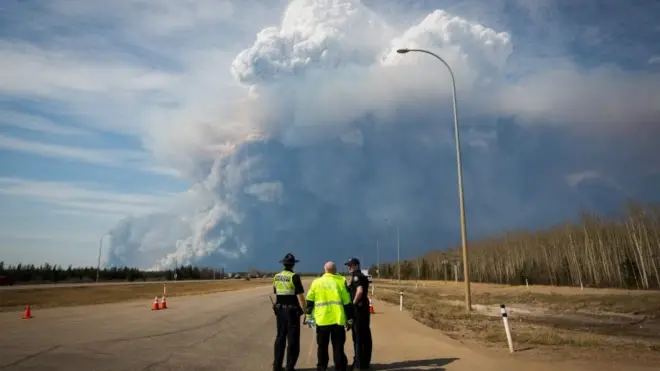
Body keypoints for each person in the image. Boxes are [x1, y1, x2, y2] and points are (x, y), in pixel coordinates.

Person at [306, 261, 353, 371]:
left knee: (322, 347)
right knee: (338, 347)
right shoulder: (340, 282)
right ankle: (340, 368)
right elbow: (347, 302)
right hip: (337, 321)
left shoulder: (316, 282)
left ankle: (321, 367)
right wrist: (350, 319)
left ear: (325, 269)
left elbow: (309, 300)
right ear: (335, 270)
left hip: (322, 321)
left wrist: (308, 316)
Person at [273, 253, 306, 371]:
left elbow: (276, 291)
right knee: (293, 339)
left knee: (280, 337)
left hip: (280, 310)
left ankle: (276, 366)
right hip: (292, 311)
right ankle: (289, 367)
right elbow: (300, 297)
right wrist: (305, 311)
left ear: (283, 264)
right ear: (293, 265)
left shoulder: (276, 276)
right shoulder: (294, 277)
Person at [344, 257, 372, 370]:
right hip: (363, 309)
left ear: (356, 265)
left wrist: (353, 304)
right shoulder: (361, 276)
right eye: (348, 265)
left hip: (359, 310)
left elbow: (359, 291)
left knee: (358, 337)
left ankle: (358, 365)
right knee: (365, 336)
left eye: (351, 265)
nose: (349, 267)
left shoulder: (357, 277)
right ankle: (363, 363)